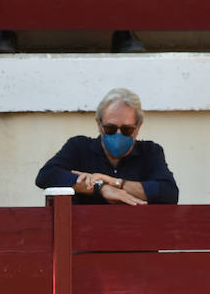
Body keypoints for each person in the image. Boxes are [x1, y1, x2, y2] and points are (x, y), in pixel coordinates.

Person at [35, 87, 178, 205]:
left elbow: (169, 193)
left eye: (126, 129)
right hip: (84, 235)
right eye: (110, 128)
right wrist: (101, 187)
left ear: (138, 127)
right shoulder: (79, 147)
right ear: (99, 124)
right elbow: (47, 176)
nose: (118, 134)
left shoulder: (150, 152)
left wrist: (115, 183)